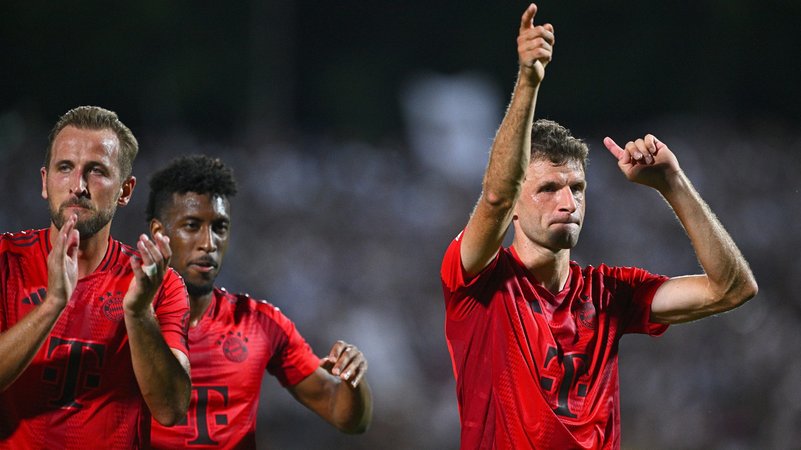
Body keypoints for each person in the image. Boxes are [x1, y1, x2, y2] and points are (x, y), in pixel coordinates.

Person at [440, 4, 758, 449]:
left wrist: (673, 183)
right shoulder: (480, 281)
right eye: (548, 188)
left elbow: (732, 289)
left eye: (577, 188)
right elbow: (495, 195)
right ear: (514, 206)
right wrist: (529, 81)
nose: (567, 202)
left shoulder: (608, 293)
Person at [145, 155, 372, 449]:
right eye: (192, 226)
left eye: (219, 227)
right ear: (159, 233)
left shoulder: (259, 322)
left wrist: (353, 380)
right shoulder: (120, 320)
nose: (209, 243)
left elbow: (345, 416)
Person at [0, 106, 191, 449]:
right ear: (44, 181)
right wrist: (53, 304)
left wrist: (139, 314)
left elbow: (172, 410)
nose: (78, 186)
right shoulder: (4, 261)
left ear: (125, 191)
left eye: (97, 171)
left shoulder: (158, 284)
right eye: (65, 168)